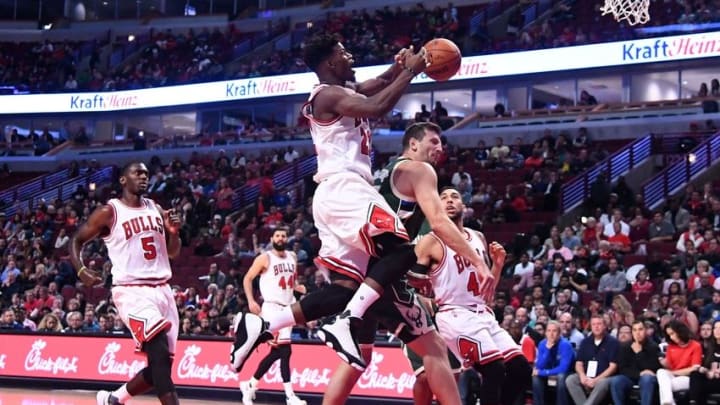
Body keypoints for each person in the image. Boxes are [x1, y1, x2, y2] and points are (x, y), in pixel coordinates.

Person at [230, 35, 465, 405]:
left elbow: (375, 86)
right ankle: (345, 321)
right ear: (329, 62)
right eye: (343, 52)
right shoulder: (325, 95)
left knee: (346, 286)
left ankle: (264, 325)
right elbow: (375, 106)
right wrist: (413, 72)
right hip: (344, 189)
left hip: (338, 194)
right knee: (404, 250)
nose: (350, 55)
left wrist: (400, 67)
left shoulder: (343, 88)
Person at [70, 162, 182, 405]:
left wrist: (174, 232)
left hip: (163, 290)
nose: (144, 176)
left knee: (159, 369)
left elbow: (173, 253)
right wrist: (81, 270)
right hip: (132, 292)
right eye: (138, 172)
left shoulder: (155, 208)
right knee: (160, 357)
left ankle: (114, 399)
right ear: (123, 180)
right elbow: (76, 240)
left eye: (146, 173)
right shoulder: (109, 212)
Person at [413, 187, 532, 405]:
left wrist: (497, 265)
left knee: (521, 370)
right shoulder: (431, 241)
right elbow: (413, 280)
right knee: (494, 369)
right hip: (455, 314)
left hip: (483, 314)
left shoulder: (478, 237)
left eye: (454, 197)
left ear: (464, 207)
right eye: (444, 198)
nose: (449, 201)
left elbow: (487, 292)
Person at [238, 228, 307, 405]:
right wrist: (251, 301)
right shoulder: (264, 258)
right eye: (277, 235)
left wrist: (298, 287)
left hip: (288, 307)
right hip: (271, 308)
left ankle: (250, 384)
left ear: (287, 238)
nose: (280, 238)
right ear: (272, 238)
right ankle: (290, 396)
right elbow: (247, 278)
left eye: (283, 235)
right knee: (285, 350)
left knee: (277, 352)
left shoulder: (292, 256)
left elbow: (293, 280)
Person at [565, 315, 619, 405]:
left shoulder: (613, 342)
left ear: (605, 326)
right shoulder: (585, 342)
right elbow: (578, 363)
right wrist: (582, 376)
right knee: (571, 379)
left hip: (604, 377)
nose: (596, 327)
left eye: (599, 324)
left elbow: (613, 367)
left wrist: (596, 380)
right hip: (587, 375)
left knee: (603, 383)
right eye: (594, 324)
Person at [609, 320, 661, 405]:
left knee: (647, 378)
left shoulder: (653, 347)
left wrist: (639, 353)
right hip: (630, 377)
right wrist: (639, 373)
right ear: (632, 332)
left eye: (640, 329)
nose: (638, 333)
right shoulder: (625, 347)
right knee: (616, 381)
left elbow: (653, 369)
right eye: (635, 330)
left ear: (645, 331)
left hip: (646, 379)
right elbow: (623, 369)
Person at [657, 320, 703, 405]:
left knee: (664, 386)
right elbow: (669, 367)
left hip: (688, 378)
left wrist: (673, 372)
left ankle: (668, 402)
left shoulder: (695, 346)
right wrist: (661, 361)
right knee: (660, 372)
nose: (671, 337)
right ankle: (669, 402)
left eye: (672, 334)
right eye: (669, 335)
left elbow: (694, 369)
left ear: (680, 331)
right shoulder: (671, 346)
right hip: (673, 376)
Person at [532, 320, 574, 405]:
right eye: (549, 331)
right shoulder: (542, 344)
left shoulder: (565, 345)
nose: (551, 334)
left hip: (567, 373)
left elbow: (563, 368)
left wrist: (542, 372)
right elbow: (539, 366)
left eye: (554, 331)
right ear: (545, 333)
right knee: (535, 378)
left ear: (559, 333)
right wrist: (547, 350)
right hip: (550, 371)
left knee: (561, 377)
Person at [689, 320, 720, 405]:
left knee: (697, 389)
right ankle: (693, 402)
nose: (717, 330)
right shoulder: (710, 347)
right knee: (695, 374)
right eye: (715, 328)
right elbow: (707, 366)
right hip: (712, 379)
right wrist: (705, 370)